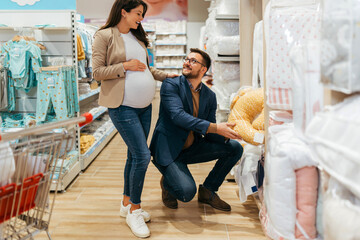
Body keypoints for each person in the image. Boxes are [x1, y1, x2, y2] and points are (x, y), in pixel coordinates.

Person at [92, 0, 177, 238]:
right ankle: (135, 210)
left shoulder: (138, 38)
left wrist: (167, 75)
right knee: (142, 156)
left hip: (145, 107)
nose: (141, 18)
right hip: (123, 106)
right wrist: (124, 66)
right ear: (124, 12)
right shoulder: (105, 35)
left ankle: (126, 203)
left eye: (142, 14)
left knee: (133, 155)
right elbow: (97, 72)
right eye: (138, 13)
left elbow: (147, 69)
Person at [150, 48, 244, 212]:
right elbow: (177, 116)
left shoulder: (209, 96)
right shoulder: (171, 85)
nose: (187, 62)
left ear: (203, 69)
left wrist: (229, 135)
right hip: (168, 149)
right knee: (186, 193)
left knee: (235, 148)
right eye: (186, 59)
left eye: (193, 61)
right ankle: (167, 183)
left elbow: (209, 128)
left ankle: (208, 190)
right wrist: (216, 128)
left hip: (191, 148)